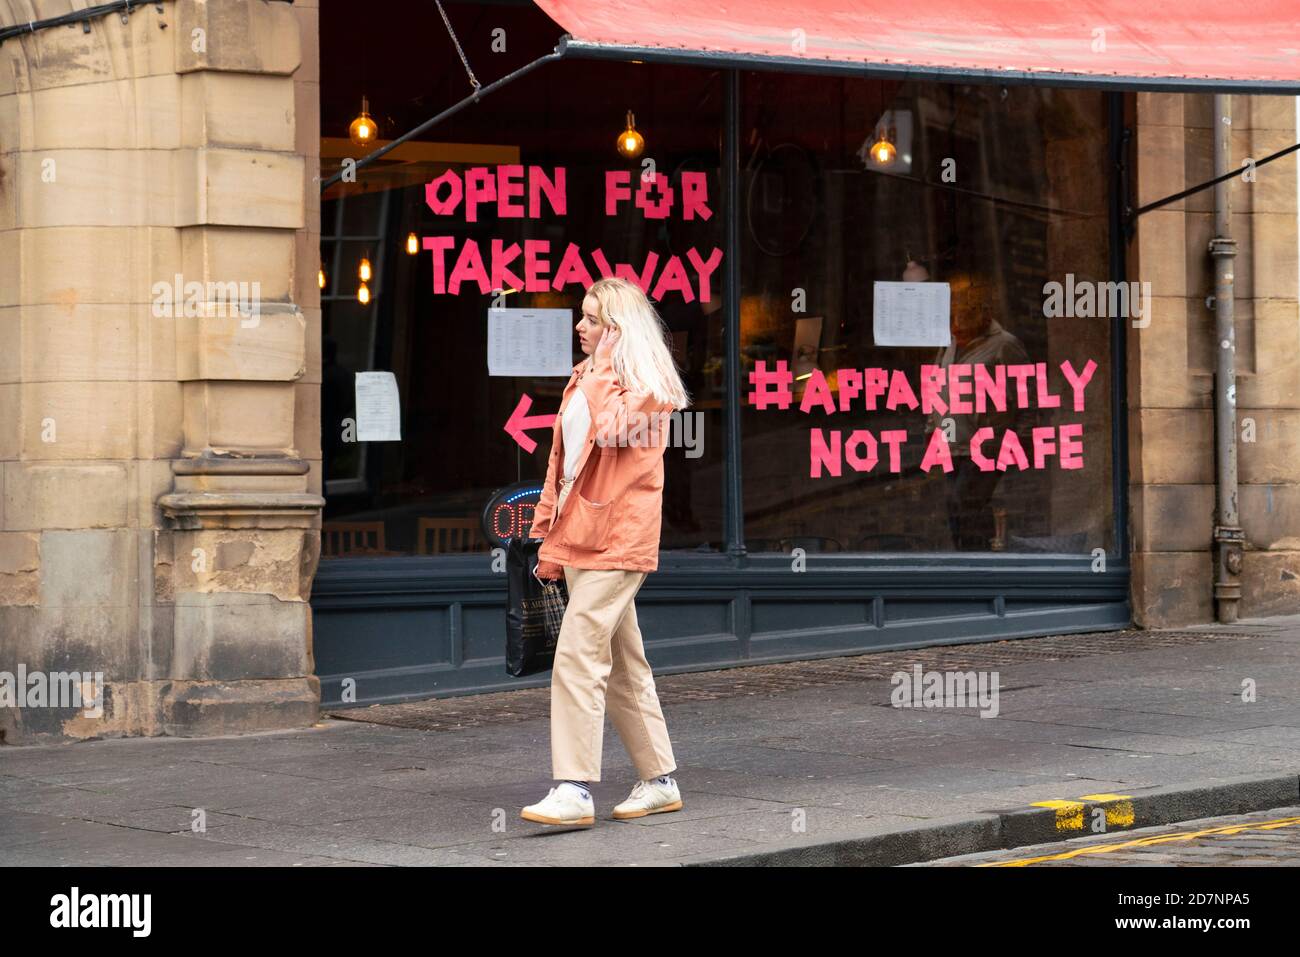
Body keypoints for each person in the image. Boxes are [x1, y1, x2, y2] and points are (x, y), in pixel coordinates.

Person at [520, 277, 691, 828]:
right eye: (583, 316)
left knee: (577, 654)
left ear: (618, 330)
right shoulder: (584, 377)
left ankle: (573, 788)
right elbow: (562, 467)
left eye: (592, 319)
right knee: (622, 663)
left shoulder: (649, 387)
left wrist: (602, 373)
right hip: (580, 535)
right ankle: (659, 781)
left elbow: (614, 432)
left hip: (618, 539)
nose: (580, 326)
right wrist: (546, 536)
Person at [926, 271, 1030, 550]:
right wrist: (931, 428)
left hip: (985, 446)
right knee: (956, 510)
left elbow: (1024, 397)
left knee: (967, 503)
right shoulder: (948, 346)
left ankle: (980, 566)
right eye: (951, 316)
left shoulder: (1004, 346)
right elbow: (937, 384)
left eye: (963, 316)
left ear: (982, 313)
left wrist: (1000, 440)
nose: (956, 324)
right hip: (953, 445)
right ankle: (969, 565)